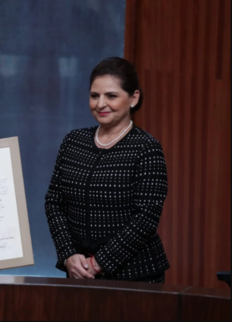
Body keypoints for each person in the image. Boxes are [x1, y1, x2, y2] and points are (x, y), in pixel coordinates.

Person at [45, 57, 169, 283]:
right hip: (78, 274)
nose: (100, 103)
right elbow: (54, 203)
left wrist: (98, 262)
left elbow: (146, 217)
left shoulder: (147, 147)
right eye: (94, 96)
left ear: (134, 98)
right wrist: (68, 255)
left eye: (111, 96)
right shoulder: (73, 141)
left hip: (135, 277)